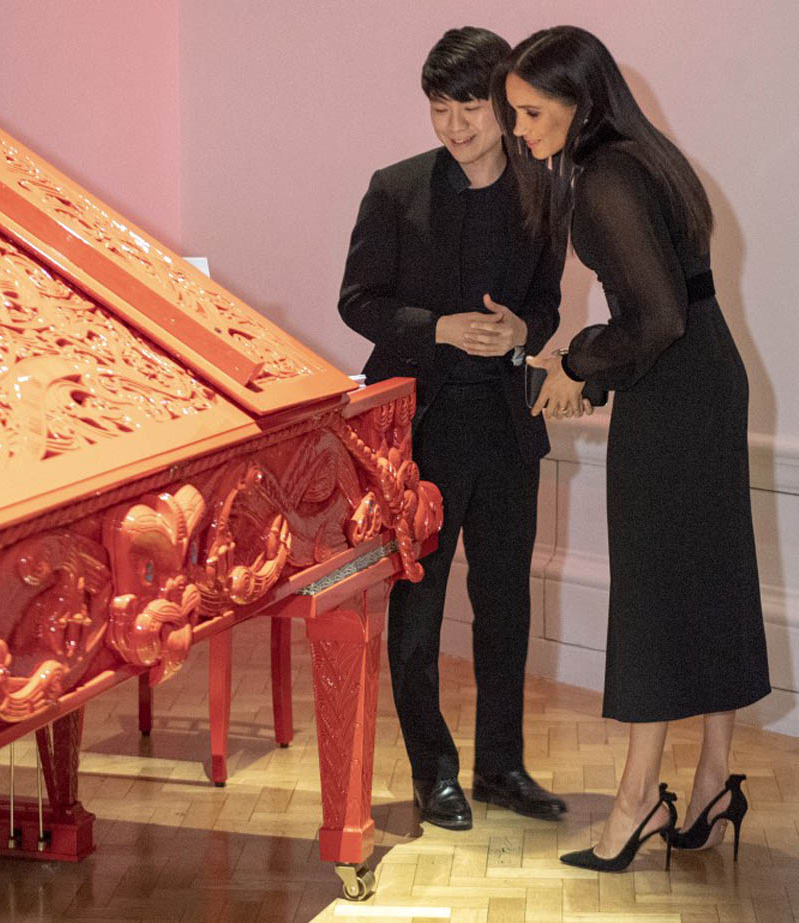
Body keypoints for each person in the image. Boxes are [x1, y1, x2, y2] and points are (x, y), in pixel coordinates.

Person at [493, 26, 771, 871]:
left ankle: (638, 801)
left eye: (531, 113)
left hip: (677, 396)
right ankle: (713, 781)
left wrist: (579, 364)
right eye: (515, 115)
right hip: (703, 380)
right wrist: (591, 370)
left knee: (654, 592)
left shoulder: (607, 175)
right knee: (711, 580)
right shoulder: (644, 158)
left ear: (580, 100)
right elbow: (670, 310)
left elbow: (656, 316)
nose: (520, 132)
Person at [338, 27, 568, 831]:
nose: (455, 125)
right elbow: (358, 300)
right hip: (421, 429)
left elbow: (546, 304)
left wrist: (522, 332)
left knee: (506, 603)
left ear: (502, 103)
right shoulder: (396, 188)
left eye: (470, 106)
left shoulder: (545, 191)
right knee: (420, 607)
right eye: (441, 108)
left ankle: (501, 765)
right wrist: (438, 328)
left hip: (507, 425)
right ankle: (432, 773)